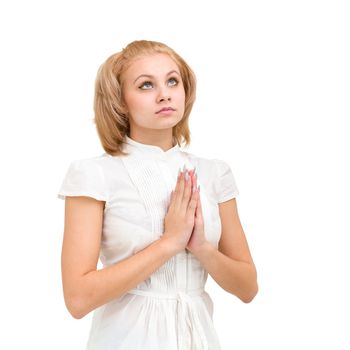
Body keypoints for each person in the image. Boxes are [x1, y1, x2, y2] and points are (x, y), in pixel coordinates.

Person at [57, 39, 258, 350]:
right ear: (119, 100)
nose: (164, 93)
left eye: (172, 81)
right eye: (146, 85)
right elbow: (78, 298)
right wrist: (169, 244)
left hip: (201, 340)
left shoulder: (214, 173)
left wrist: (202, 247)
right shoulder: (94, 175)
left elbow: (248, 287)